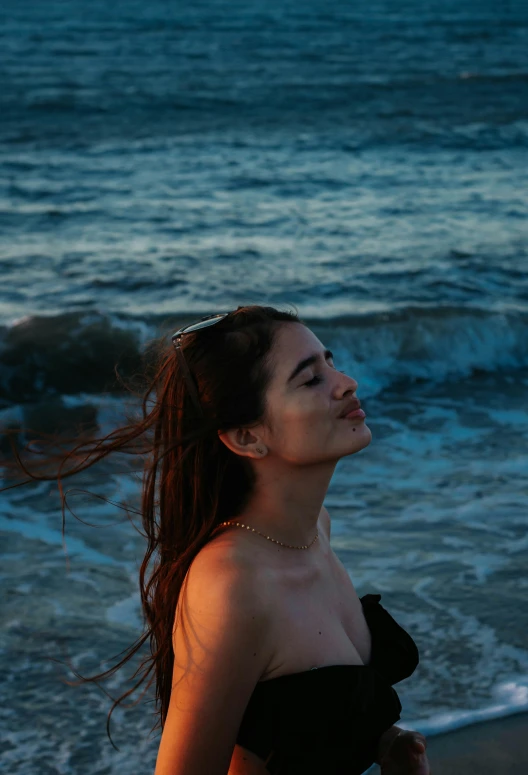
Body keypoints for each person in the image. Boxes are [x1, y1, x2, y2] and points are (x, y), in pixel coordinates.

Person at [1, 305, 430, 774]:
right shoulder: (231, 585)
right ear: (247, 437)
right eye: (310, 380)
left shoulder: (312, 529)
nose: (346, 381)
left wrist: (383, 742)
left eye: (330, 361)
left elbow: (291, 719)